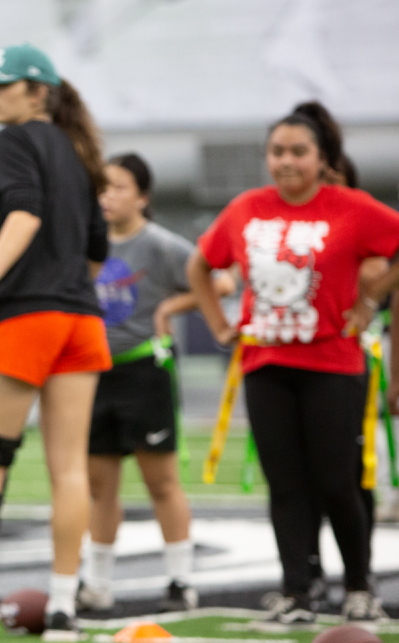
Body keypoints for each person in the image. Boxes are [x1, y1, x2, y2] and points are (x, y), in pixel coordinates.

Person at [187, 101, 399, 623]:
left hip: (333, 364)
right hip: (265, 365)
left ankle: (357, 585)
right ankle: (298, 591)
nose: (286, 161)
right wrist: (218, 324)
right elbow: (201, 263)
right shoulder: (245, 208)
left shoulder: (350, 206)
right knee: (285, 483)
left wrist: (372, 300)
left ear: (321, 159)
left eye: (299, 152)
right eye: (277, 151)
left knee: (335, 481)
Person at [0, 43, 110, 642]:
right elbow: (96, 253)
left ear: (38, 91)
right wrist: (64, 292)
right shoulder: (81, 152)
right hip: (81, 324)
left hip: (27, 320)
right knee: (69, 471)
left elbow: (25, 215)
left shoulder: (17, 141)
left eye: (2, 84)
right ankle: (64, 608)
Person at [76, 153, 235, 614]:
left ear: (142, 197)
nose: (107, 196)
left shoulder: (162, 245)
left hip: (145, 371)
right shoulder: (86, 243)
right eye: (101, 188)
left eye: (119, 187)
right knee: (99, 486)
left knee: (161, 481)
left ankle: (180, 581)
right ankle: (98, 584)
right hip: (93, 374)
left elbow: (220, 284)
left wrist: (169, 309)